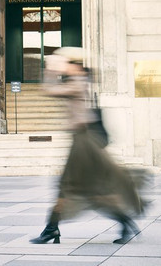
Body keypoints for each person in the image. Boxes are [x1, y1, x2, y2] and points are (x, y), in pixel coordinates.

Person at [30, 47, 147, 245]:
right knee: (77, 188)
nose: (63, 67)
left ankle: (53, 229)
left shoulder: (77, 83)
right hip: (80, 141)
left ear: (74, 66)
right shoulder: (77, 81)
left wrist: (50, 70)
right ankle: (52, 229)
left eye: (65, 63)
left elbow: (48, 90)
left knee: (86, 189)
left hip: (84, 144)